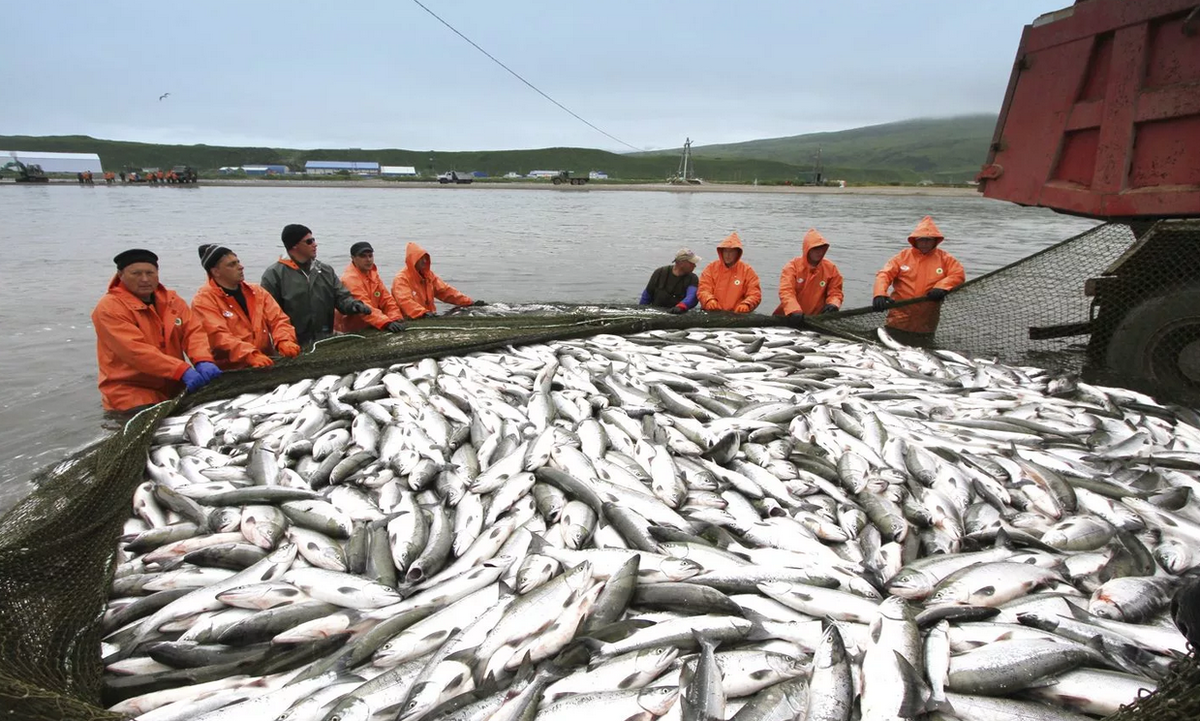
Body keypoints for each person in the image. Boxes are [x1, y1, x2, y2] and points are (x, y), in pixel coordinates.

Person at [91, 249, 220, 412]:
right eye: (136, 273)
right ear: (120, 274)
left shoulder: (172, 300)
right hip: (130, 395)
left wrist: (203, 359)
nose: (144, 279)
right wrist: (182, 370)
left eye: (150, 273)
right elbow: (134, 352)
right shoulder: (109, 308)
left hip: (174, 388)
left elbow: (193, 332)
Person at [261, 224, 372, 347]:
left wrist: (355, 305)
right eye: (309, 241)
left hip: (325, 337)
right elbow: (270, 316)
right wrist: (283, 342)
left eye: (314, 240)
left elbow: (341, 297)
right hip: (293, 343)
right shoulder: (274, 275)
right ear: (294, 246)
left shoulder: (325, 270)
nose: (315, 244)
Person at [192, 244, 301, 370]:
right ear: (215, 272)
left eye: (238, 262)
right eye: (232, 265)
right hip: (231, 370)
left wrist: (284, 340)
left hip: (266, 362)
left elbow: (278, 319)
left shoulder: (257, 292)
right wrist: (249, 355)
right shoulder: (203, 301)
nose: (240, 267)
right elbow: (218, 336)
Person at [871, 215, 966, 346]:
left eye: (929, 240)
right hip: (899, 319)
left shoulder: (945, 258)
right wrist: (880, 293)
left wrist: (942, 286)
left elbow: (958, 274)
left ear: (935, 241)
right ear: (915, 240)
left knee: (924, 350)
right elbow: (884, 275)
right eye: (922, 240)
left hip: (927, 321)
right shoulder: (902, 257)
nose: (925, 243)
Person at [391, 242, 486, 319]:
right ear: (413, 260)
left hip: (429, 316)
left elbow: (445, 291)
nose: (424, 261)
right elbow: (405, 301)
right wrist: (422, 313)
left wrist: (469, 302)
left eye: (425, 258)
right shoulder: (401, 279)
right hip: (410, 320)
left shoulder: (428, 276)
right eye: (421, 258)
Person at [773, 228, 844, 323]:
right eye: (815, 248)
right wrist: (794, 310)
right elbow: (786, 291)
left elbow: (835, 292)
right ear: (807, 249)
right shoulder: (792, 267)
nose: (819, 252)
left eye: (822, 248)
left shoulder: (831, 268)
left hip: (817, 320)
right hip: (789, 317)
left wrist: (833, 304)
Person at [335, 242, 407, 333]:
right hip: (353, 329)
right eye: (363, 256)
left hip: (373, 324)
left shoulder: (372, 274)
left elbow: (387, 299)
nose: (368, 259)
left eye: (370, 256)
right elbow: (364, 306)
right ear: (353, 258)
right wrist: (386, 322)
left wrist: (396, 317)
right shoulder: (350, 279)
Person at [697, 232, 761, 313]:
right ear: (721, 252)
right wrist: (709, 300)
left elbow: (755, 294)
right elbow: (703, 289)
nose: (728, 255)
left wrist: (746, 304)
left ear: (737, 253)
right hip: (713, 312)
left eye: (731, 252)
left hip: (737, 314)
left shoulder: (747, 271)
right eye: (725, 251)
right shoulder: (711, 268)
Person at [639, 248, 701, 314]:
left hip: (678, 312)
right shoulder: (660, 272)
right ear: (681, 263)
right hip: (656, 310)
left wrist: (681, 306)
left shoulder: (692, 278)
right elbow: (647, 294)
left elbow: (692, 296)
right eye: (692, 263)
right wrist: (641, 310)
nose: (694, 265)